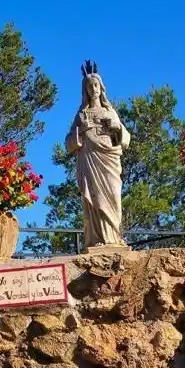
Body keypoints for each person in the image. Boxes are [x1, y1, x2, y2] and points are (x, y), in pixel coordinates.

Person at [64, 61, 130, 249]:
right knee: (94, 199)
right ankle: (97, 239)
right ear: (85, 90)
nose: (93, 89)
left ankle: (114, 237)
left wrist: (116, 127)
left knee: (113, 196)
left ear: (101, 88)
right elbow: (69, 143)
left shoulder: (110, 111)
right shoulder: (81, 115)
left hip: (109, 159)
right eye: (89, 86)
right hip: (89, 160)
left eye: (95, 85)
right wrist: (80, 132)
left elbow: (125, 138)